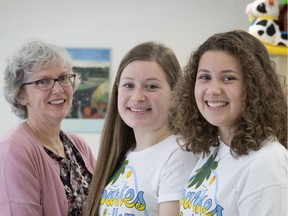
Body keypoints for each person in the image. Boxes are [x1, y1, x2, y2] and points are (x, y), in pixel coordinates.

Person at [169, 30, 288, 215]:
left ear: (255, 87)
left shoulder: (267, 162)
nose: (213, 90)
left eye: (228, 78)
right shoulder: (213, 148)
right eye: (205, 77)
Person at [84, 41, 198, 216]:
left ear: (175, 93)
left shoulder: (179, 155)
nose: (137, 97)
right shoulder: (123, 153)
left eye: (151, 86)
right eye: (129, 85)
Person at [0, 40, 96, 216]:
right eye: (43, 81)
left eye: (63, 78)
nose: (58, 89)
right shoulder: (13, 149)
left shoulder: (77, 144)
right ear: (21, 95)